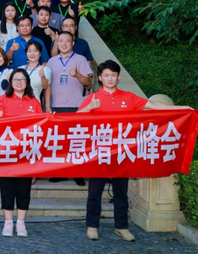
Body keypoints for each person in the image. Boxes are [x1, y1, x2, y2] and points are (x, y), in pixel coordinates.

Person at [78, 60, 193, 242]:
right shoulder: (92, 98)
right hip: (99, 153)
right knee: (94, 193)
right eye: (106, 75)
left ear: (118, 77)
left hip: (122, 153)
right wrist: (88, 108)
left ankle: (122, 227)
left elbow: (153, 105)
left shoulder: (128, 97)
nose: (110, 78)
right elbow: (74, 121)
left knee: (121, 192)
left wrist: (181, 108)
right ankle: (92, 227)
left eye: (113, 75)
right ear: (100, 78)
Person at [0, 68, 43, 238]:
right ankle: (8, 222)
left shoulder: (34, 101)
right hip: (7, 151)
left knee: (24, 188)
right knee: (7, 187)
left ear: (27, 82)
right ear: (11, 82)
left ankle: (20, 222)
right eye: (15, 79)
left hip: (27, 152)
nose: (19, 82)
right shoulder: (2, 99)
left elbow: (41, 125)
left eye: (22, 79)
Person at [45, 31, 92, 186]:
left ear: (73, 43)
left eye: (67, 41)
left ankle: (78, 173)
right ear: (57, 43)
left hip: (77, 106)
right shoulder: (51, 61)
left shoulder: (81, 59)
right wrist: (47, 105)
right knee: (59, 141)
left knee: (77, 141)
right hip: (57, 106)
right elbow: (47, 85)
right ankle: (60, 172)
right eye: (61, 41)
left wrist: (78, 74)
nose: (64, 44)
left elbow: (88, 83)